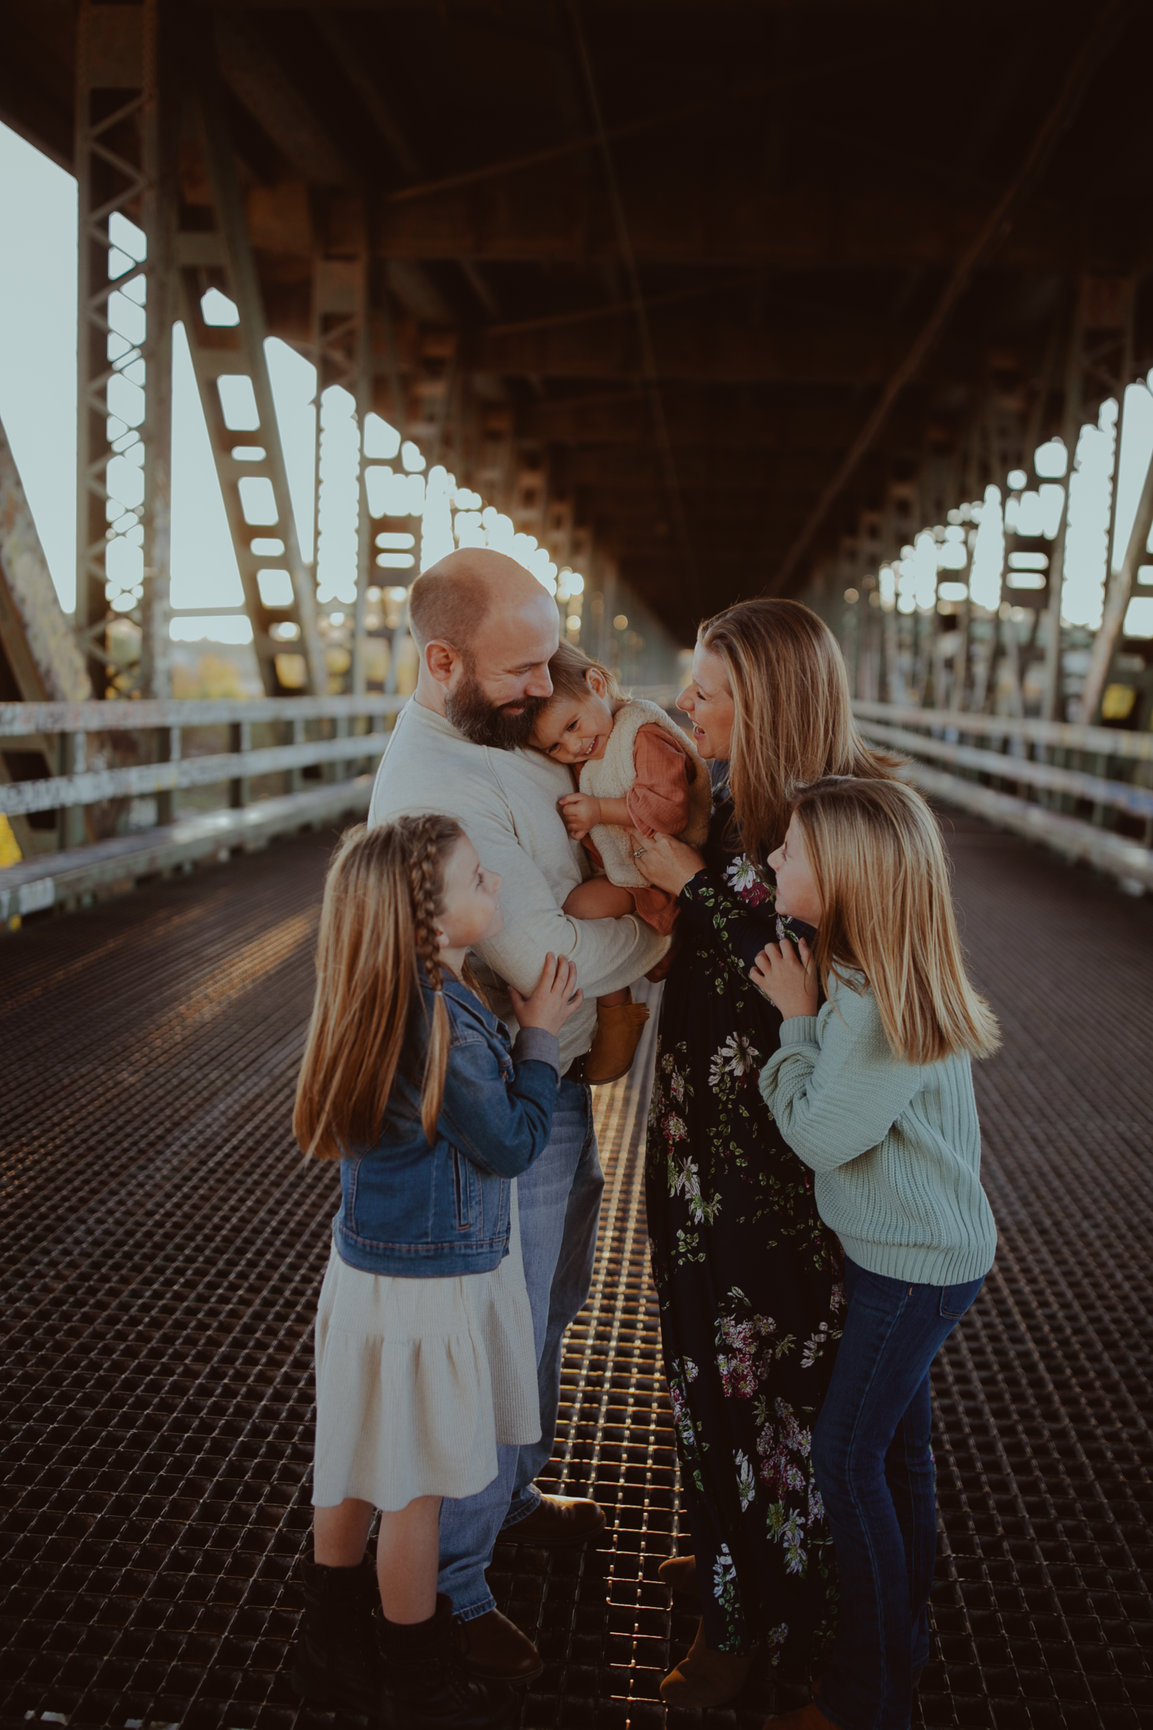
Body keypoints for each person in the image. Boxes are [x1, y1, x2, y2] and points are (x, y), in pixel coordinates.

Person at [366, 548, 669, 1683]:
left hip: (543, 1081)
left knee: (546, 1305)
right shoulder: (440, 783)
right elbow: (546, 955)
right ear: (442, 660)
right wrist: (670, 921)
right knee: (495, 1334)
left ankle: (513, 1496)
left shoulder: (495, 734)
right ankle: (449, 1589)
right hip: (492, 1103)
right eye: (518, 669)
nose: (546, 689)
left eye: (552, 658)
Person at [632, 597, 899, 1709]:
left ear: (769, 702)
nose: (685, 703)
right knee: (700, 1373)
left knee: (760, 1394)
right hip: (695, 1134)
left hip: (772, 1162)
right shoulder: (731, 798)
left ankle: (748, 1622)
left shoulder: (840, 815)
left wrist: (688, 881)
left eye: (708, 689)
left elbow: (806, 957)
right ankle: (732, 1551)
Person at [291, 814, 583, 1729]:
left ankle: (328, 1647)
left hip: (367, 1276)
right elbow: (508, 1145)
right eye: (473, 877)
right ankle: (413, 1684)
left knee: (347, 1462)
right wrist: (537, 1038)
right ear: (429, 919)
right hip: (428, 1288)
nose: (491, 879)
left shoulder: (375, 989)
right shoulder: (444, 1022)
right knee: (412, 1497)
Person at [752, 777, 1000, 1730]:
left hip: (913, 1266)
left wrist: (794, 1019)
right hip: (904, 1250)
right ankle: (897, 1651)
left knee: (843, 1461)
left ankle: (869, 1701)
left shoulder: (870, 997)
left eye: (791, 850)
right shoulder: (870, 969)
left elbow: (817, 1136)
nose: (774, 861)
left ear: (848, 873)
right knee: (898, 1456)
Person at [528, 641, 711, 1083]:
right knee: (576, 908)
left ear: (597, 684)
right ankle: (617, 1014)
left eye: (572, 724)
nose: (573, 745)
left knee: (580, 909)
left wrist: (597, 811)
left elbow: (669, 811)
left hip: (665, 871)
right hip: (630, 869)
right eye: (556, 746)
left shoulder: (642, 733)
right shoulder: (594, 747)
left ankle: (616, 1014)